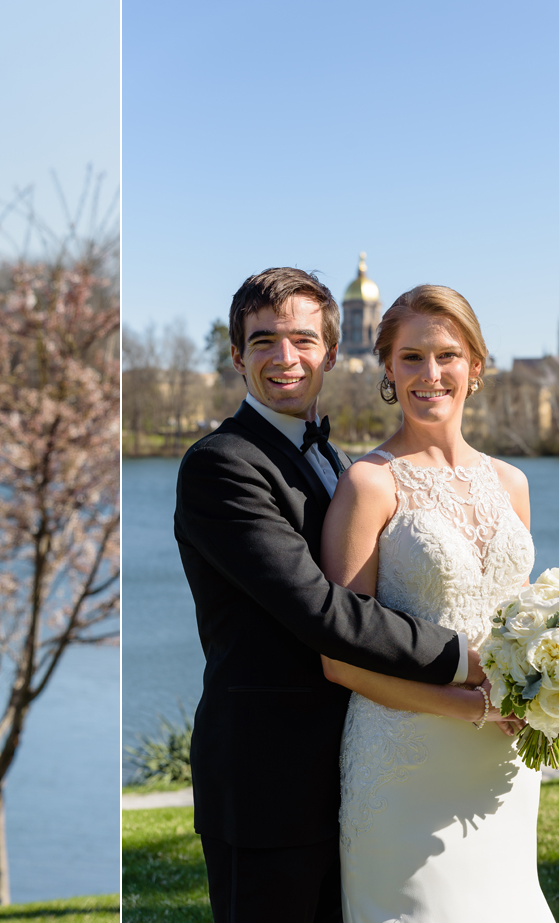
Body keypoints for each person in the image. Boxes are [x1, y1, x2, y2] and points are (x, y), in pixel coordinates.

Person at [174, 267, 504, 922]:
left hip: (357, 771)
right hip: (269, 782)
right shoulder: (223, 465)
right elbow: (324, 614)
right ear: (237, 356)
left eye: (301, 339)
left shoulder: (337, 460)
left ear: (330, 350)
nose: (285, 357)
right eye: (263, 341)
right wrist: (476, 661)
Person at [322, 285, 553, 920]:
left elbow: (524, 629)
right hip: (405, 766)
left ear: (476, 366)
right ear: (388, 369)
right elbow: (340, 661)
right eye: (412, 357)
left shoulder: (513, 483)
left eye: (448, 355)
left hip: (506, 764)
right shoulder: (368, 484)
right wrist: (473, 708)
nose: (431, 374)